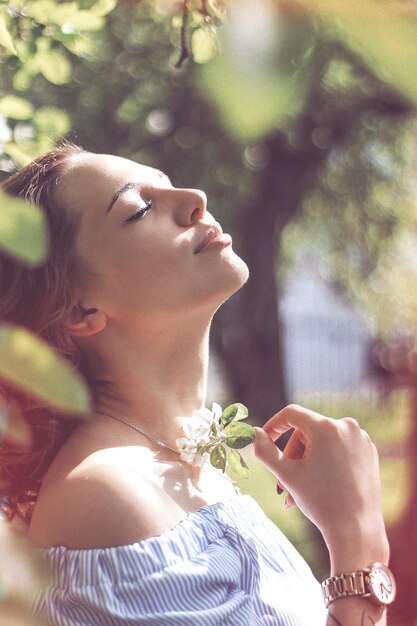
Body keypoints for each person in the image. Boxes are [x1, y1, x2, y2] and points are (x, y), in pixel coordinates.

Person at [0, 142, 393, 626]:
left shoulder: (179, 472)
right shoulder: (105, 495)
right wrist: (357, 539)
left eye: (166, 183)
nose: (195, 199)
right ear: (79, 308)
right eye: (140, 208)